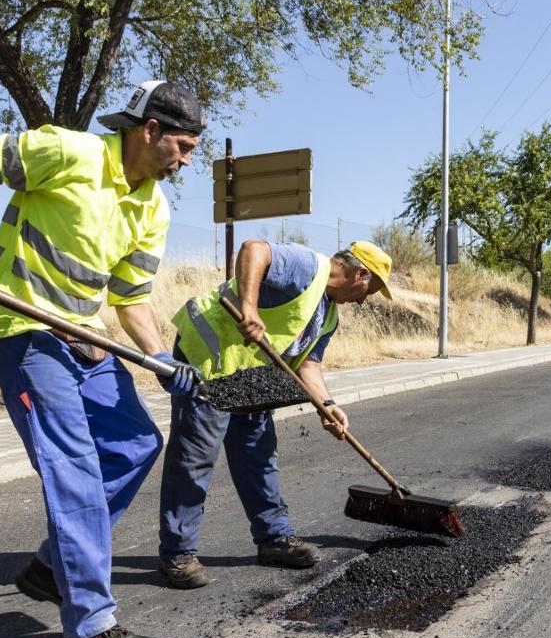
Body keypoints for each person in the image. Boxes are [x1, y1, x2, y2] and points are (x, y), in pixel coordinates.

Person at [0, 80, 203, 638]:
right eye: (180, 146)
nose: (184, 161)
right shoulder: (68, 151)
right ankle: (90, 629)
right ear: (148, 129)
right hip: (22, 334)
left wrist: (162, 360)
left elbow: (131, 298)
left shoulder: (155, 206)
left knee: (135, 445)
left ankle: (53, 565)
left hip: (83, 338)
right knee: (74, 467)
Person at [156, 239, 393, 589]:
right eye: (368, 291)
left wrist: (326, 405)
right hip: (208, 358)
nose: (363, 300)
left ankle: (274, 539)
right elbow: (254, 249)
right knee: (196, 456)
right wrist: (249, 308)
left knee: (258, 452)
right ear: (360, 273)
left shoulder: (328, 316)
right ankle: (177, 552)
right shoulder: (307, 267)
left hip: (249, 374)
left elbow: (309, 364)